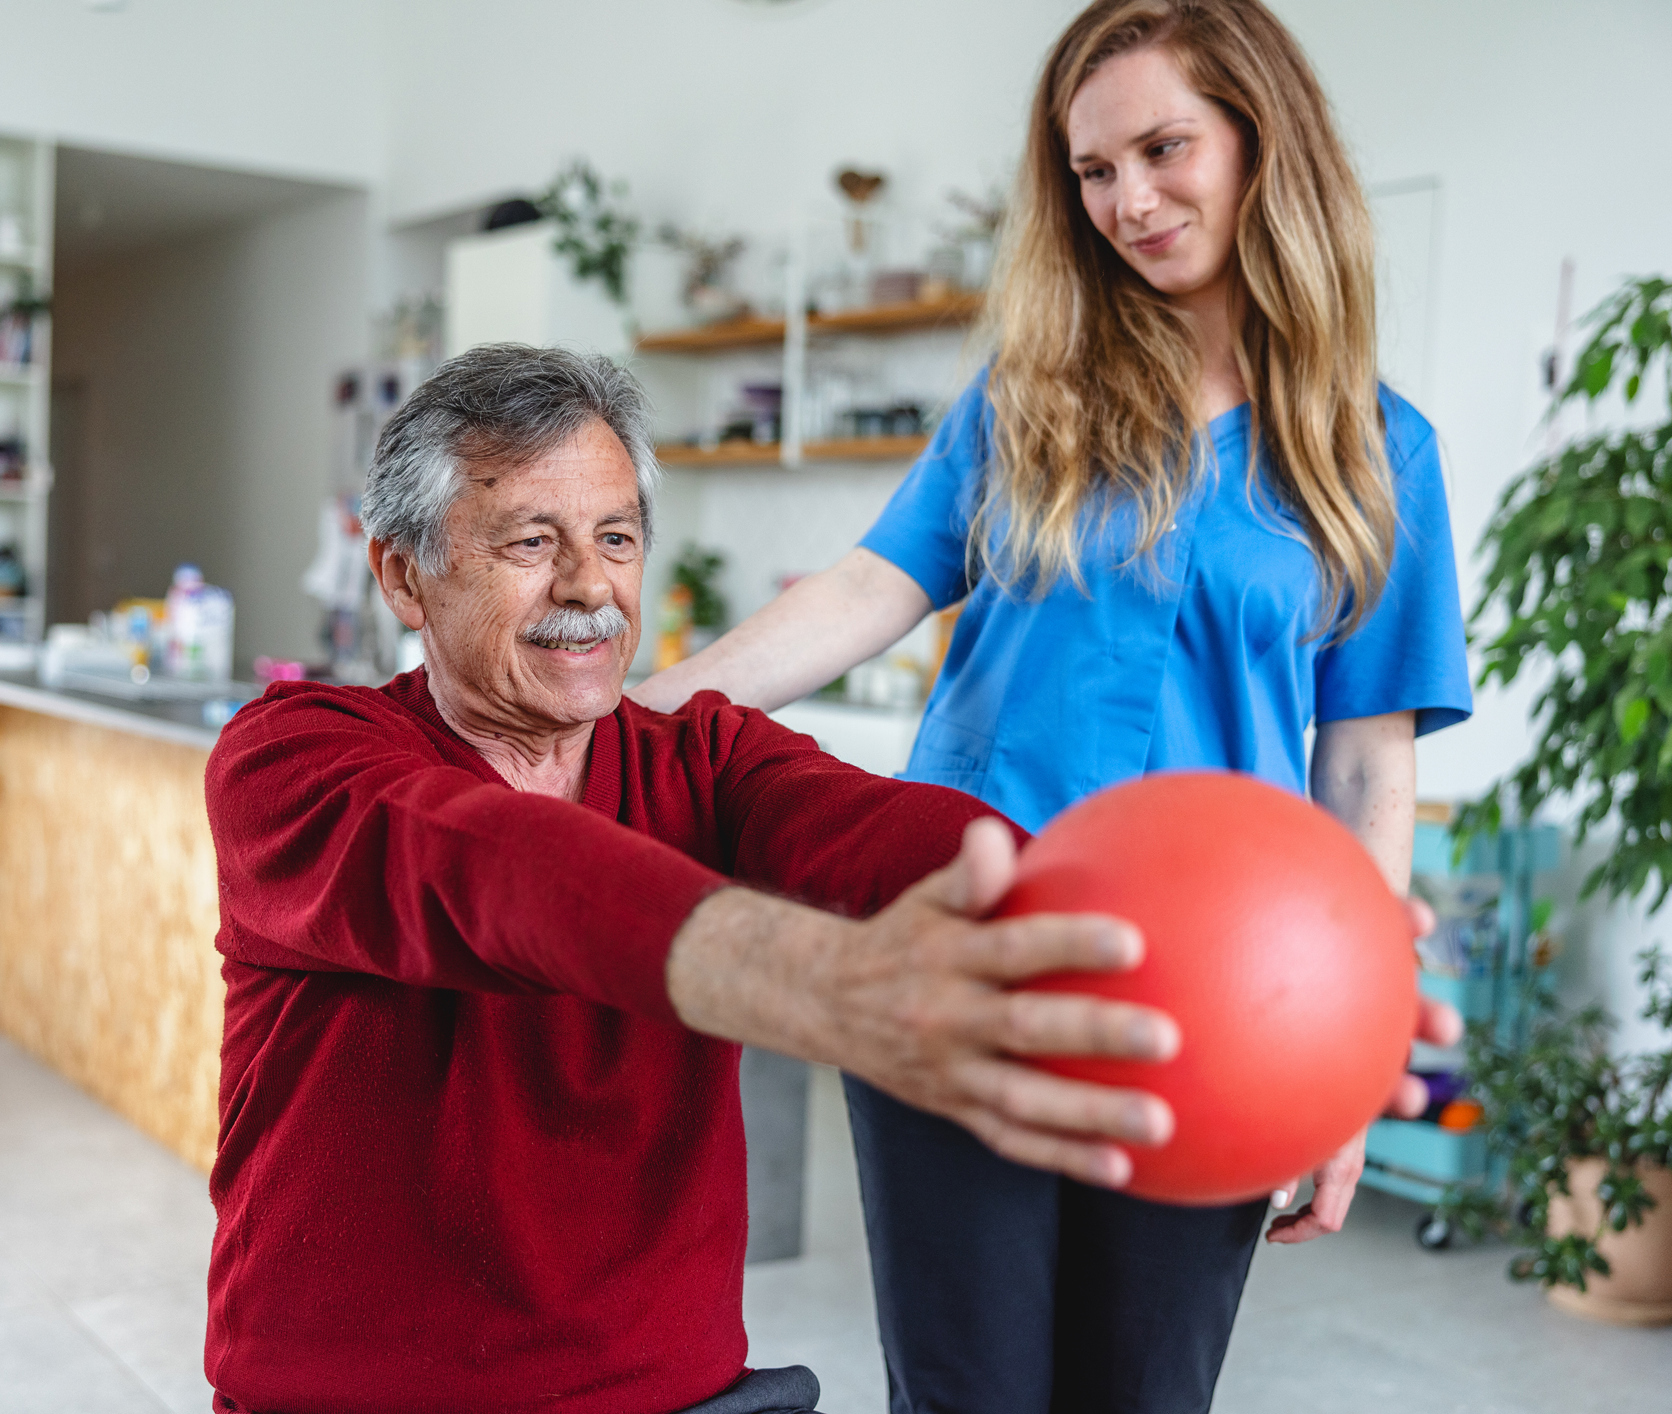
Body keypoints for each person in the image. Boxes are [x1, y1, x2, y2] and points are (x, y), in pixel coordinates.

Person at [630, 2, 1472, 1411]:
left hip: (1218, 997)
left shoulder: (1378, 451)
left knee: (1145, 1392)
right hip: (967, 946)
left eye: (1163, 147)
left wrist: (1348, 1054)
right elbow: (865, 591)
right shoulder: (1031, 396)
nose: (1130, 200)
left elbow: (1367, 770)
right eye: (1093, 170)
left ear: (1262, 143)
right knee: (964, 1391)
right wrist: (627, 715)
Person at [201, 342, 1189, 1414]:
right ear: (402, 573)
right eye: (532, 541)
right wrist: (825, 981)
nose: (588, 586)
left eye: (615, 538)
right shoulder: (292, 757)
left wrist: (1153, 945)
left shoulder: (705, 758)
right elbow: (496, 867)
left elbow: (889, 829)